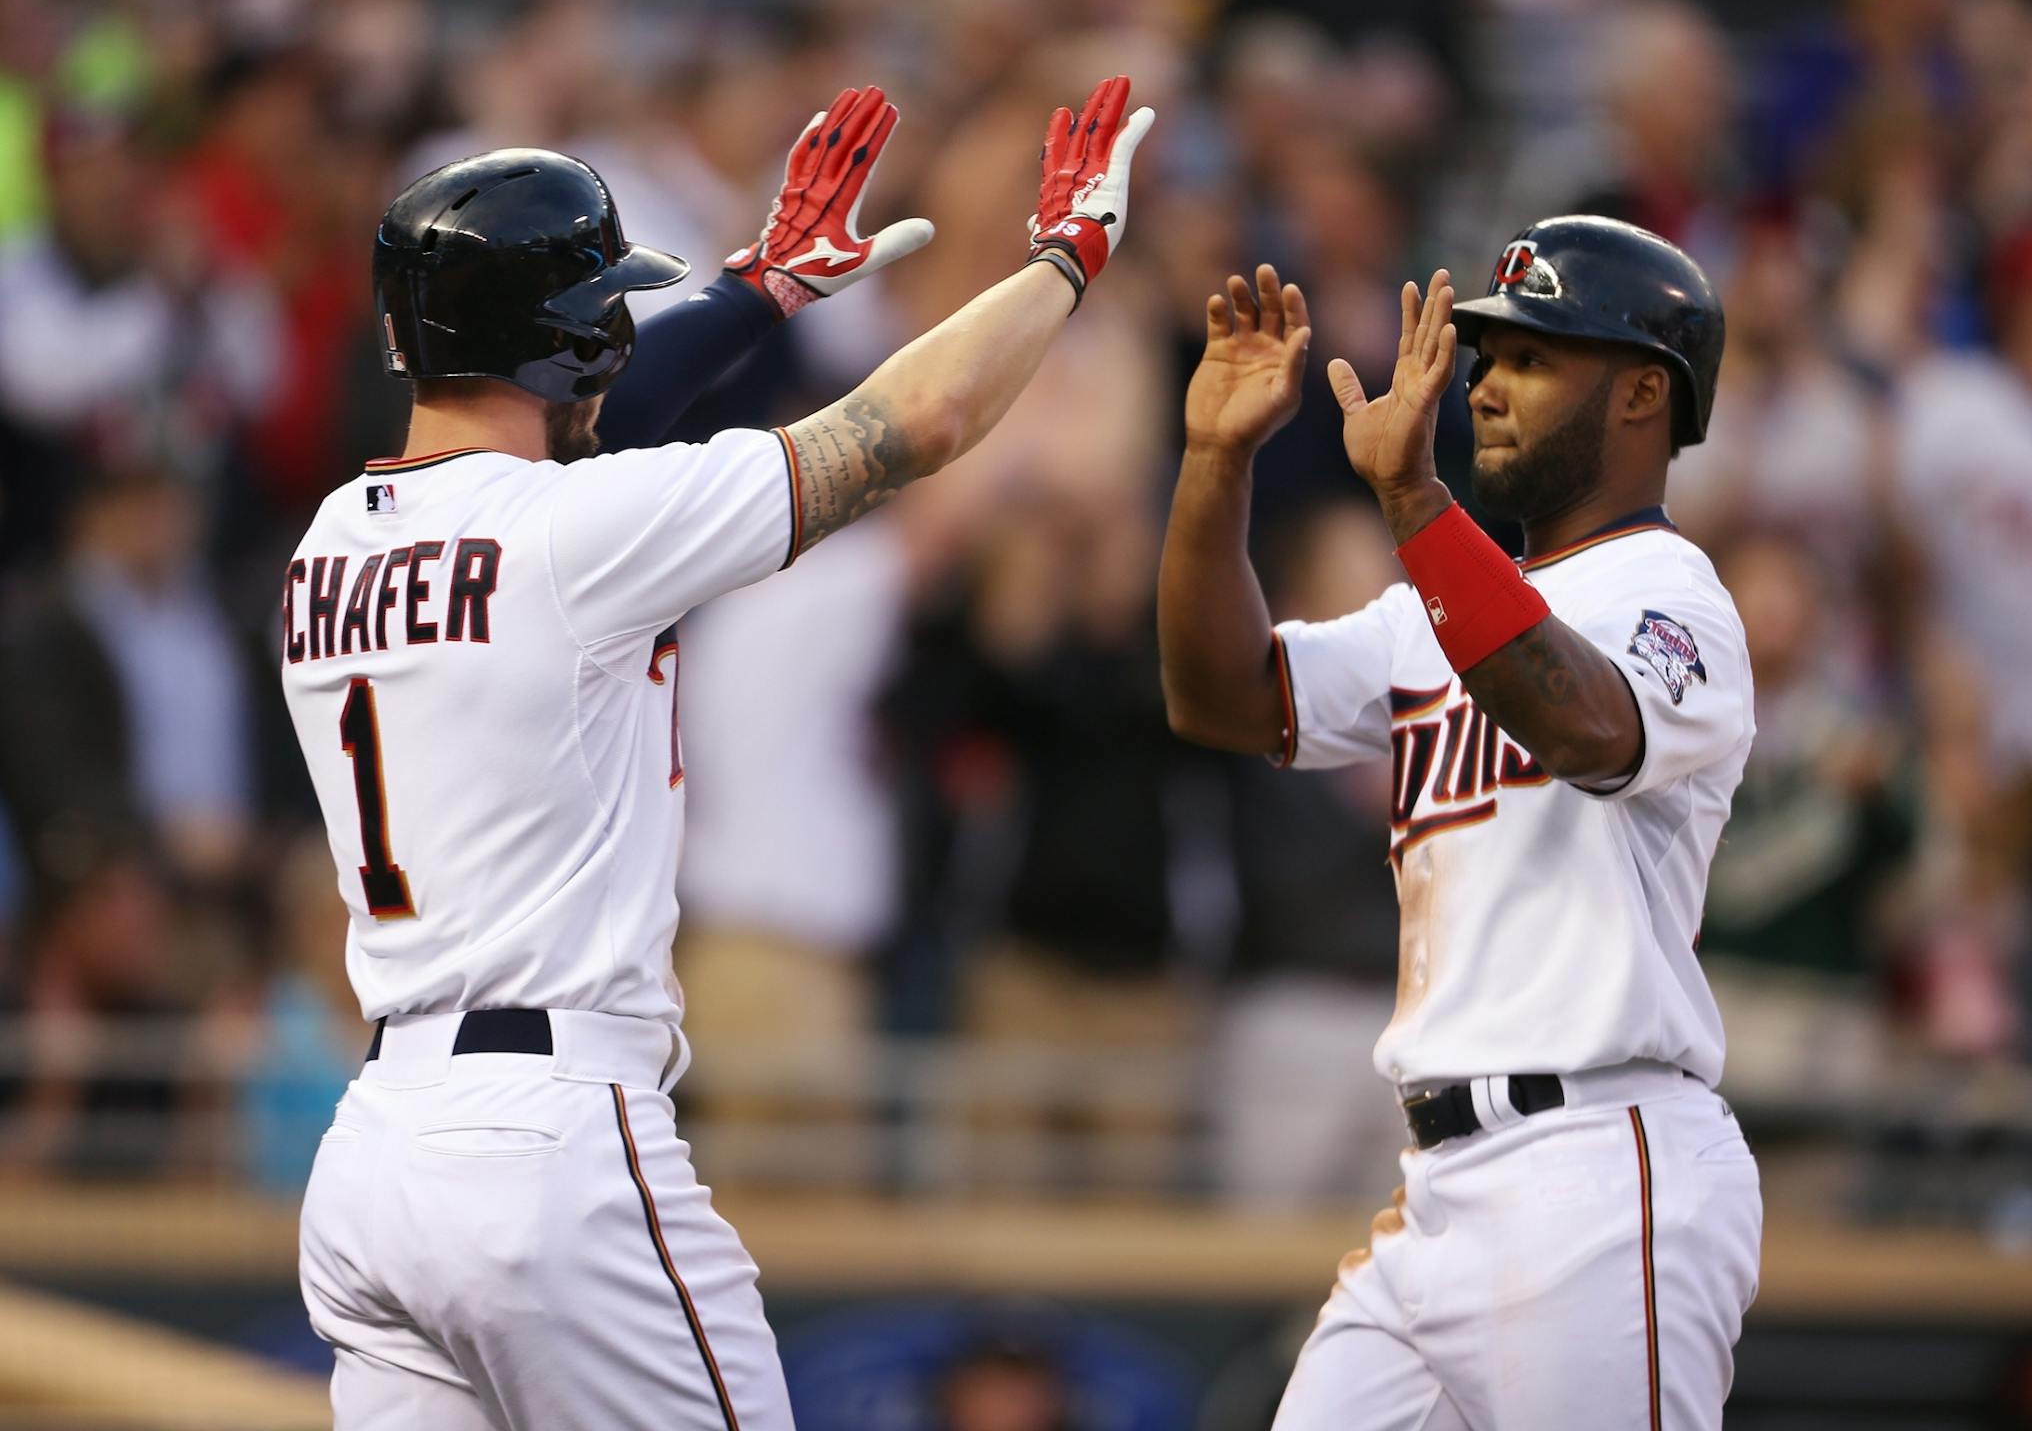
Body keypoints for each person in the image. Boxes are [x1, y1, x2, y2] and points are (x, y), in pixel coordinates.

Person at [282, 77, 1153, 1430]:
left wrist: (762, 294)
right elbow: (913, 428)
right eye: (602, 320)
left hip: (377, 1152)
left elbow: (566, 437)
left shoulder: (329, 542)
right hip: (551, 1136)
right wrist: (1061, 267)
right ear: (567, 346)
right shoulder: (581, 534)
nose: (619, 339)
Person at [1160, 218, 1761, 1429]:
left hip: (1601, 1163)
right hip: (1439, 1182)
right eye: (1486, 355)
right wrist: (1217, 462)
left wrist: (1413, 498)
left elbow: (1586, 724)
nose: (1485, 383)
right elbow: (1219, 696)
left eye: (1534, 357)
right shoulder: (1430, 608)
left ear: (1644, 392)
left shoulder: (1675, 595)